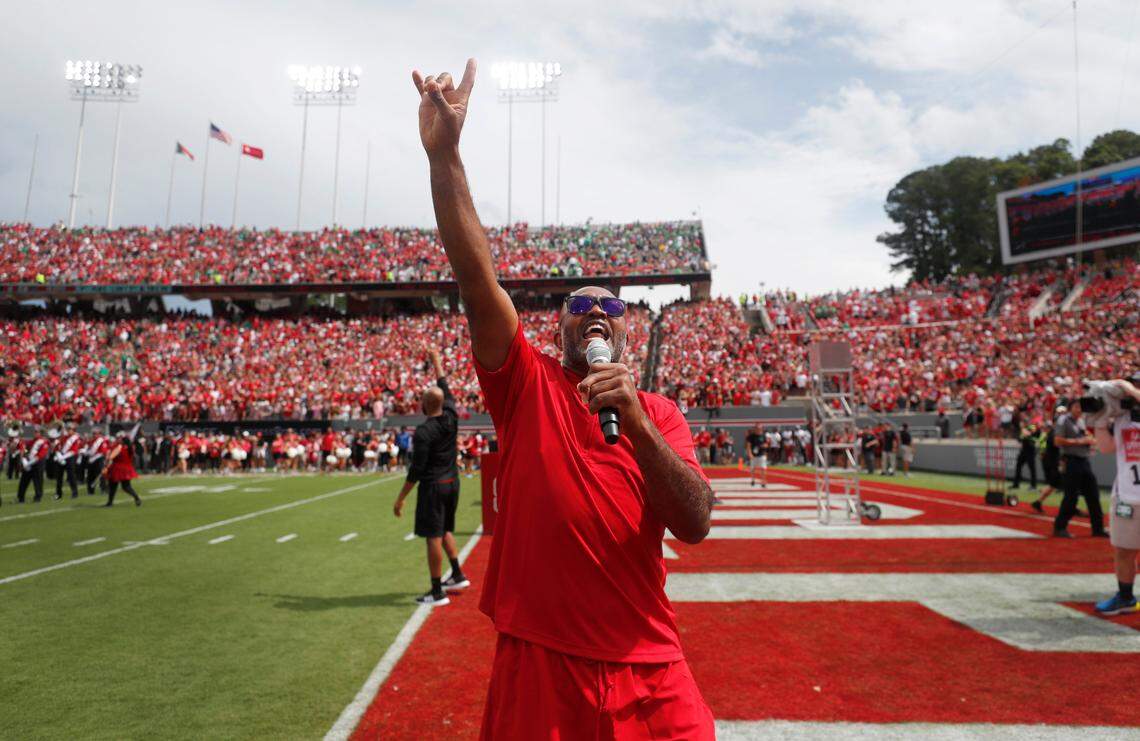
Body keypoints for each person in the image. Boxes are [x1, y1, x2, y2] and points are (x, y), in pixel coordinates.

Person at [411, 59, 714, 739]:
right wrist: (446, 158)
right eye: (581, 304)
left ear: (625, 325)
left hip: (650, 667)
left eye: (610, 303)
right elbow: (475, 277)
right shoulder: (527, 381)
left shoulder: (659, 413)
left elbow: (694, 522)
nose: (596, 310)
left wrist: (635, 422)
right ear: (561, 325)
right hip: (544, 664)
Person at [392, 348, 468, 606]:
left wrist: (401, 498)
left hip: (434, 487)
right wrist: (436, 361)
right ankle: (456, 573)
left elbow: (416, 470)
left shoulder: (424, 431)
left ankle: (436, 591)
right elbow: (444, 386)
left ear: (424, 405)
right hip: (452, 483)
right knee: (444, 529)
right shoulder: (452, 416)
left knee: (433, 536)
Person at [1091, 378, 1140, 614]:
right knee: (1123, 549)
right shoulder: (1122, 418)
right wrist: (1099, 422)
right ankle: (1125, 596)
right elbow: (1106, 448)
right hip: (1127, 493)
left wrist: (1127, 387)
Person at [1052, 400, 1106, 538]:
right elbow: (1057, 441)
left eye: (1081, 407)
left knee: (1093, 495)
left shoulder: (1081, 421)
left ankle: (1098, 528)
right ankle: (1060, 527)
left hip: (1084, 460)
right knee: (1071, 496)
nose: (1079, 409)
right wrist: (1079, 442)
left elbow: (1086, 436)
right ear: (1070, 408)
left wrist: (1090, 440)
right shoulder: (1064, 420)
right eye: (1076, 406)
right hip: (1071, 461)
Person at [103, 427, 142, 507]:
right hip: (126, 468)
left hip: (117, 468)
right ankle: (136, 497)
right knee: (126, 486)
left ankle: (110, 502)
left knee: (113, 486)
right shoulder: (130, 448)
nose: (117, 439)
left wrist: (106, 465)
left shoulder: (120, 447)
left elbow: (111, 457)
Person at [1011, 420, 1038, 491]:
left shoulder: (1032, 427)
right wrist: (1023, 434)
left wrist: (1026, 433)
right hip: (1023, 451)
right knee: (1018, 466)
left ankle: (1033, 486)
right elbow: (1019, 439)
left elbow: (1033, 438)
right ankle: (1016, 484)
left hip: (1031, 451)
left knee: (1032, 469)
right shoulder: (1023, 430)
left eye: (1025, 423)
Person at [746, 423, 767, 488]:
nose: (758, 430)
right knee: (753, 468)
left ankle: (763, 481)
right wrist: (750, 453)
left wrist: (764, 446)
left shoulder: (763, 436)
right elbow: (748, 446)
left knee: (763, 468)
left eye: (760, 428)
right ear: (755, 429)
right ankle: (753, 480)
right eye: (757, 428)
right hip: (754, 455)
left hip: (761, 454)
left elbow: (766, 444)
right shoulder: (751, 436)